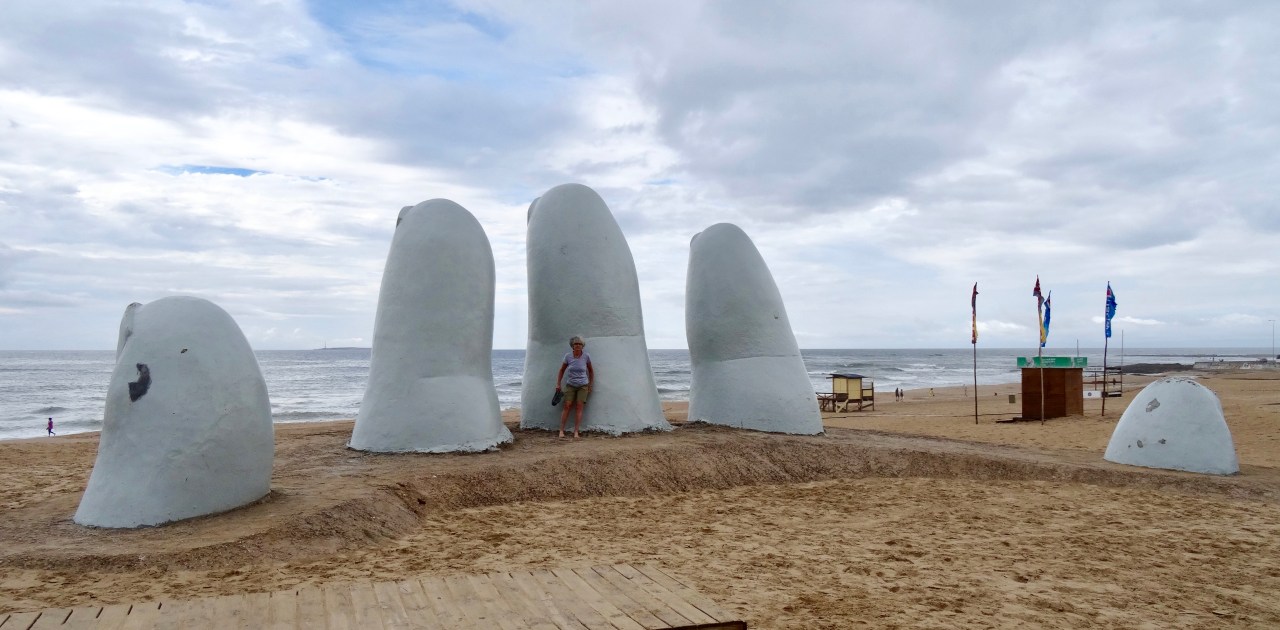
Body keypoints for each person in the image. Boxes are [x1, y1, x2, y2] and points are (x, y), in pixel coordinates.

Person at [554, 335, 593, 439]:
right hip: (570, 385)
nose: (578, 345)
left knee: (579, 407)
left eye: (580, 344)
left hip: (583, 386)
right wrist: (558, 384)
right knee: (567, 406)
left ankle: (576, 432)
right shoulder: (568, 356)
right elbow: (561, 370)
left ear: (582, 346)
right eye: (576, 344)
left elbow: (591, 370)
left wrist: (590, 384)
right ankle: (561, 430)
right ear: (572, 346)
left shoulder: (586, 356)